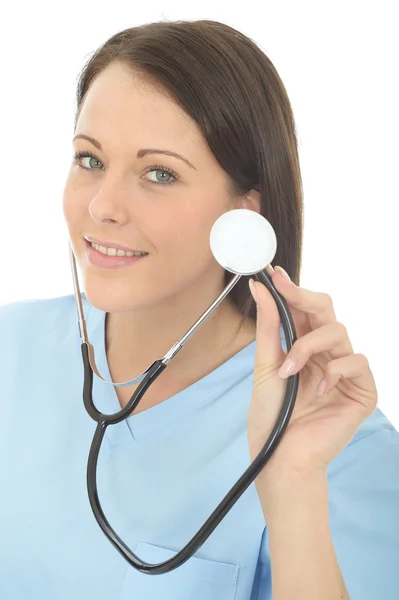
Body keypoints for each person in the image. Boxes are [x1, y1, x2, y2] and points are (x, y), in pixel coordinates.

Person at [0, 19, 398, 600]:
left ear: (245, 216)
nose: (104, 206)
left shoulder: (334, 441)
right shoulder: (11, 349)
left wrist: (292, 487)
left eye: (159, 173)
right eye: (90, 160)